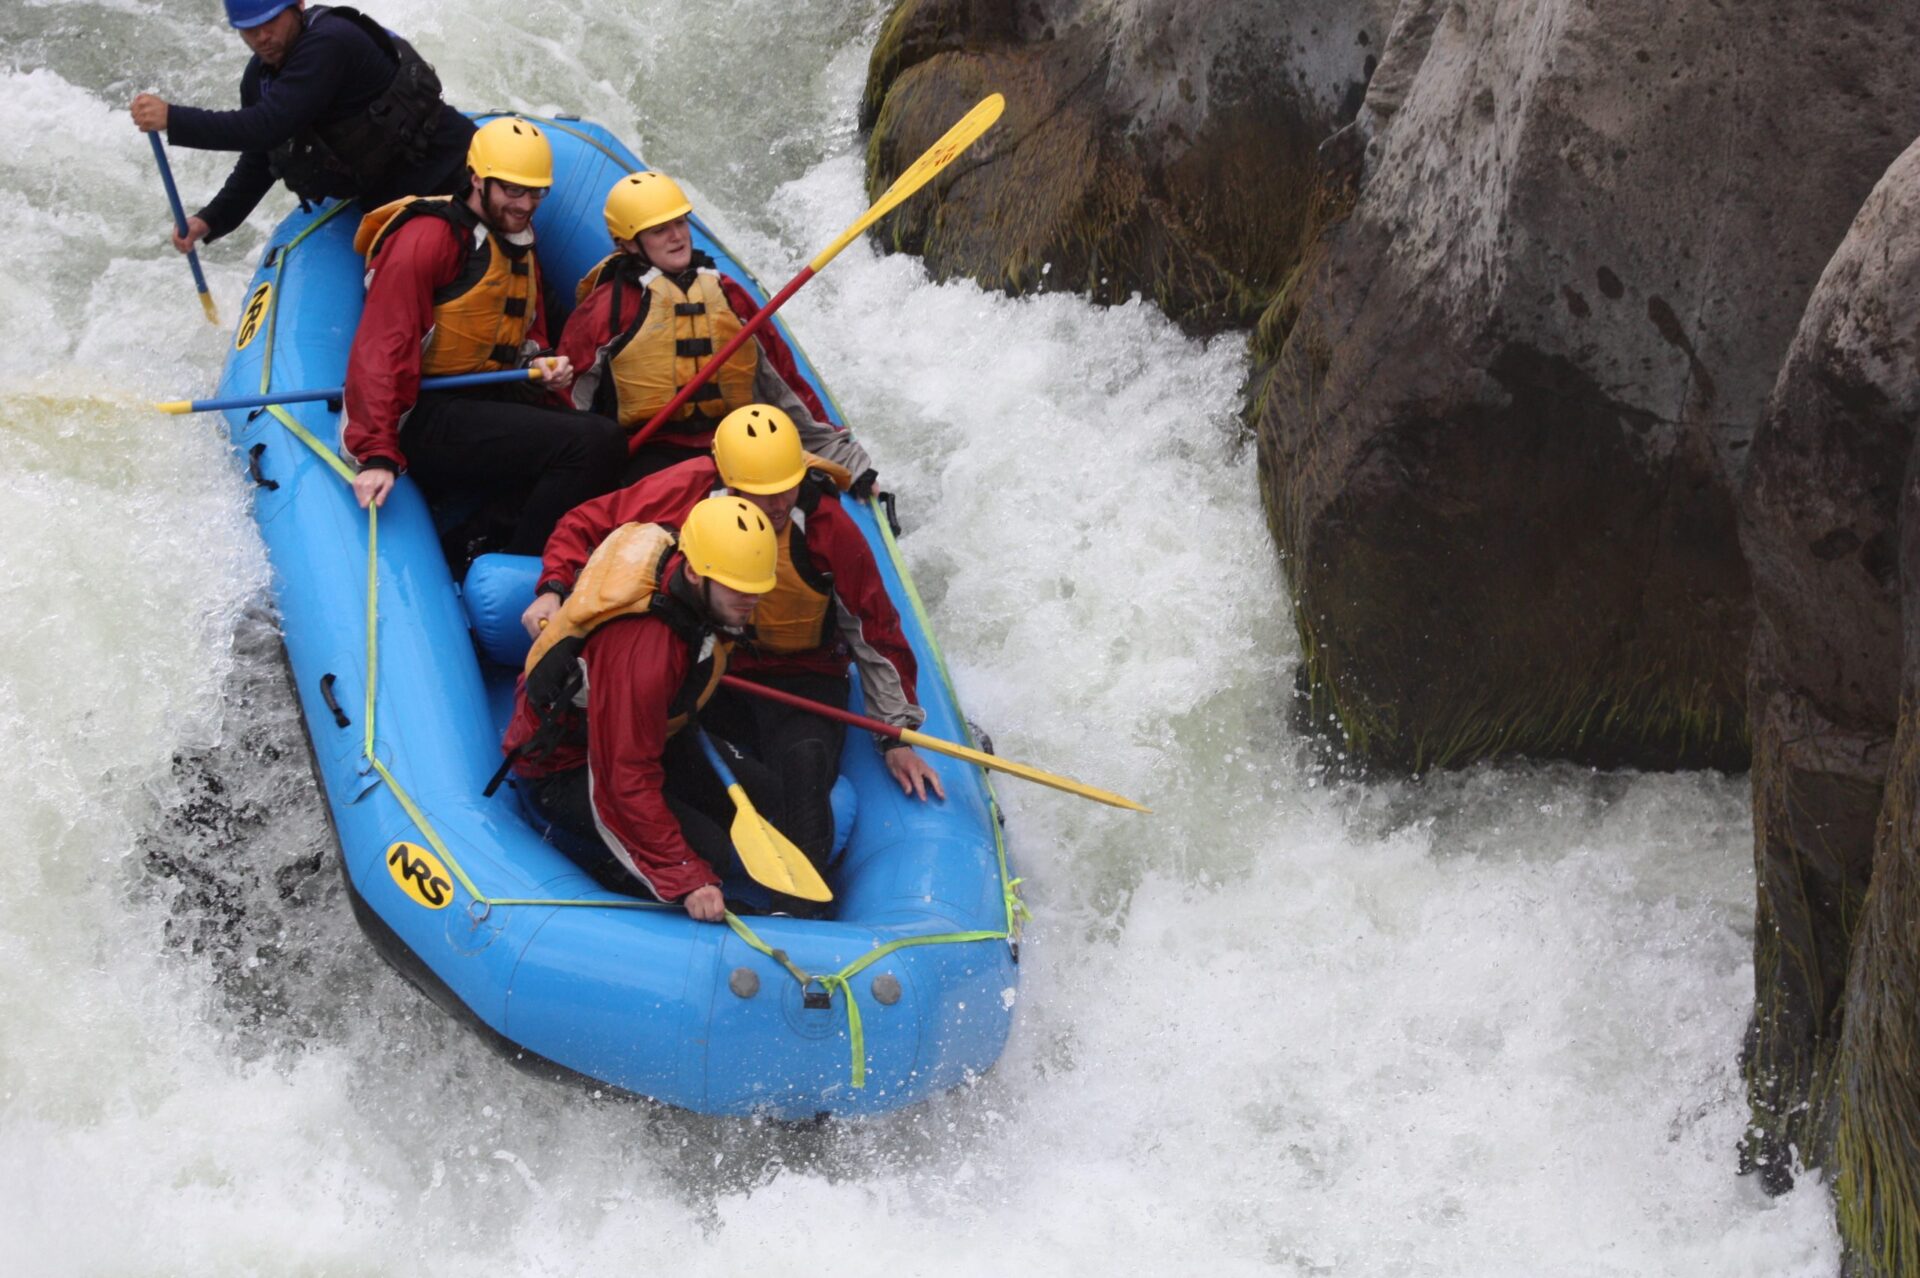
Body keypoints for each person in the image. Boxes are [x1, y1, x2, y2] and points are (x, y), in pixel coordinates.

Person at [522, 403, 944, 871]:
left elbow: (876, 630)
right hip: (713, 674)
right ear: (729, 481)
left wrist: (894, 736)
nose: (779, 505)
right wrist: (553, 586)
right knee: (676, 773)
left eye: (787, 487)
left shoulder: (826, 526)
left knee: (804, 770)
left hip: (802, 679)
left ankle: (802, 914)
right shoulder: (690, 492)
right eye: (763, 494)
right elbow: (584, 524)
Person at [501, 494, 798, 921]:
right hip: (565, 767)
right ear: (695, 573)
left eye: (758, 587)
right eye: (739, 588)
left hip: (648, 730)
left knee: (766, 794)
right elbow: (621, 779)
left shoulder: (685, 563)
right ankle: (602, 868)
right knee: (708, 851)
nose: (751, 600)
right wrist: (685, 875)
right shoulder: (644, 654)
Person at [341, 116, 625, 556]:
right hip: (429, 412)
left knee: (606, 426)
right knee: (594, 443)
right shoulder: (428, 238)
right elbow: (384, 345)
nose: (526, 203)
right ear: (477, 180)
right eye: (513, 190)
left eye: (535, 192)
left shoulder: (515, 240)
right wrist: (376, 453)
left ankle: (487, 532)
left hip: (488, 396)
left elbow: (522, 326)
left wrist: (539, 364)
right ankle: (509, 555)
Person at [557, 171, 875, 486]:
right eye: (659, 230)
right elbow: (566, 399)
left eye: (680, 223)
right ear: (628, 243)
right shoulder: (607, 309)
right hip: (653, 453)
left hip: (736, 440)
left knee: (808, 498)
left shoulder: (728, 294)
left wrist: (840, 456)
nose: (677, 236)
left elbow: (783, 382)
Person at [129, 1, 474, 254]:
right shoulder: (259, 79)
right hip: (392, 203)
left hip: (455, 173)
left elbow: (267, 126)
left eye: (270, 22)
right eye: (250, 29)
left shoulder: (330, 42)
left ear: (297, 6)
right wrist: (210, 219)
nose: (262, 37)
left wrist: (173, 119)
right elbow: (263, 158)